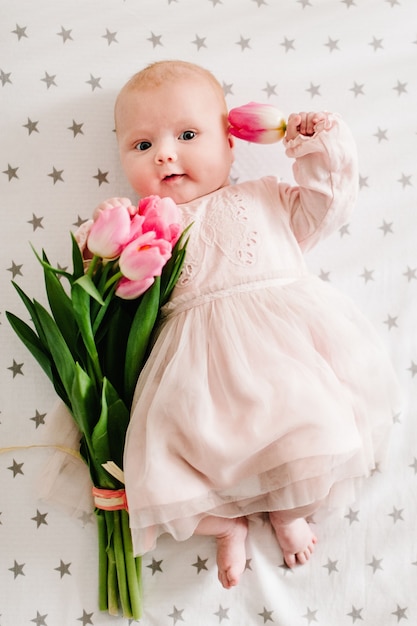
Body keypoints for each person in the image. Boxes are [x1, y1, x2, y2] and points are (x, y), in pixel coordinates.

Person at [94, 60, 400, 589]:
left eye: (188, 135)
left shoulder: (262, 196)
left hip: (281, 354)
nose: (165, 152)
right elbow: (114, 294)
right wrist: (107, 238)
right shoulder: (146, 226)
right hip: (194, 369)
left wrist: (319, 148)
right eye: (141, 146)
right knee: (170, 463)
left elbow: (326, 210)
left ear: (231, 143)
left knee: (309, 427)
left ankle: (287, 513)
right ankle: (226, 525)